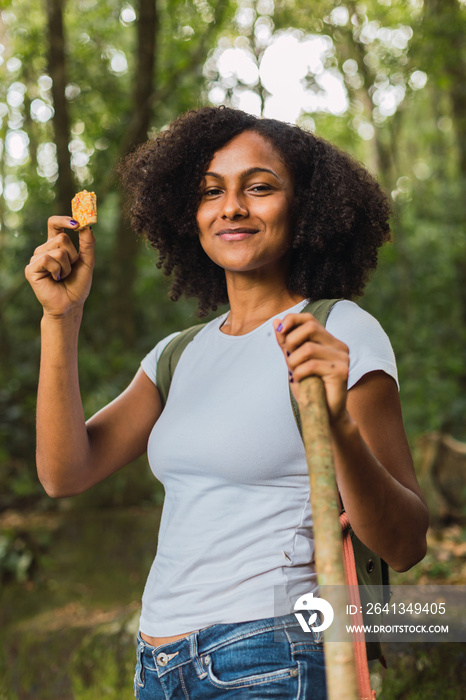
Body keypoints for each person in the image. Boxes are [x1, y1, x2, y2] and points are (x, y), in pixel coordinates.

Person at [25, 106, 428, 699]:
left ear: (305, 206)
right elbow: (65, 472)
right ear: (189, 214)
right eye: (211, 191)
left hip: (273, 652)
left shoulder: (339, 329)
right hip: (157, 664)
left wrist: (336, 424)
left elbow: (406, 542)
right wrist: (61, 318)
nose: (231, 207)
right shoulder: (178, 354)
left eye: (259, 187)